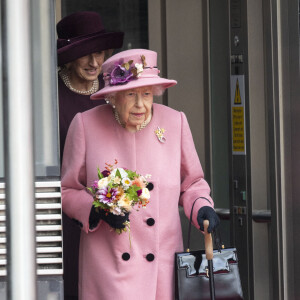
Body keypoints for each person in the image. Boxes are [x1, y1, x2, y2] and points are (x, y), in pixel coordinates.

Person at [61, 49, 220, 300]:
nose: (140, 104)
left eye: (146, 94)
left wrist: (201, 207)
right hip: (109, 269)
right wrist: (95, 210)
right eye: (131, 94)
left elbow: (192, 184)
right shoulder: (85, 125)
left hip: (162, 267)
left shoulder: (174, 122)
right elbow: (67, 189)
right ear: (113, 96)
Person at [56, 11, 124, 300]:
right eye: (85, 54)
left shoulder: (117, 92)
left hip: (113, 213)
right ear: (70, 57)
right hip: (66, 216)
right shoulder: (50, 95)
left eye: (99, 53)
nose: (94, 62)